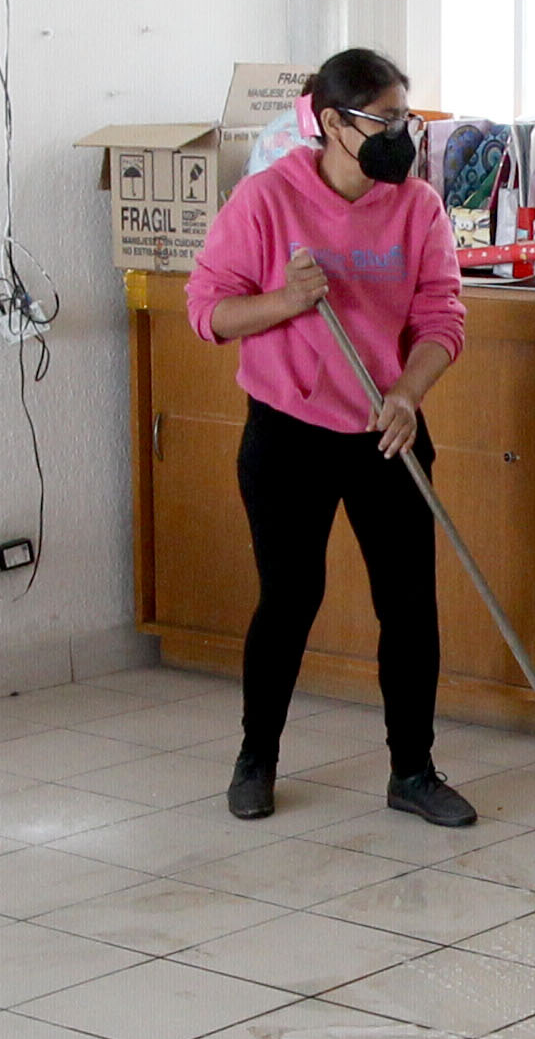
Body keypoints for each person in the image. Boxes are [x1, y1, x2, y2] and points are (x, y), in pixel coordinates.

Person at [186, 45, 476, 829]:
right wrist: (285, 300)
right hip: (289, 432)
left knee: (410, 606)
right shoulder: (265, 201)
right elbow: (208, 312)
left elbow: (442, 317)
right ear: (329, 122)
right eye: (381, 120)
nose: (397, 136)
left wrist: (409, 394)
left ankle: (412, 772)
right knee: (290, 597)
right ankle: (256, 759)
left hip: (387, 428)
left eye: (404, 119)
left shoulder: (417, 207)